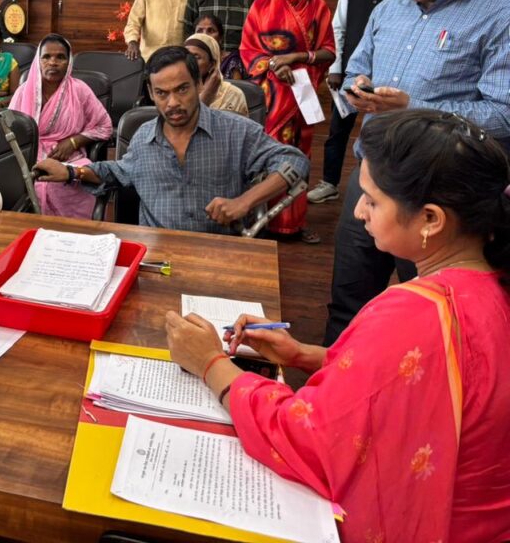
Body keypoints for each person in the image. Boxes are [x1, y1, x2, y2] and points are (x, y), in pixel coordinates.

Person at [164, 109, 510, 542]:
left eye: (373, 200)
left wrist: (211, 363)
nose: (360, 211)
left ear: (430, 219)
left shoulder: (414, 312)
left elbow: (310, 440)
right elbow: (424, 378)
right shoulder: (491, 286)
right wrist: (306, 355)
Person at [327, 0, 510, 344]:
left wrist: (412, 107)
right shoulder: (388, 10)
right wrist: (357, 88)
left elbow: (503, 115)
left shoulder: (499, 17)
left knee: (433, 315)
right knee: (349, 296)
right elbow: (355, 69)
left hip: (442, 193)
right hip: (372, 177)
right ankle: (334, 375)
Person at [33, 46, 308, 234]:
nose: (173, 102)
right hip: (158, 256)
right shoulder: (143, 137)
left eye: (182, 89)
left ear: (199, 85)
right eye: (162, 93)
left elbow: (295, 161)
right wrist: (70, 172)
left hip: (218, 252)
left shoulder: (235, 131)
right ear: (151, 93)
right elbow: (118, 172)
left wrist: (244, 202)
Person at [241, 0, 336, 244]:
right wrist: (273, 65)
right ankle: (260, 218)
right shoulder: (261, 4)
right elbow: (248, 49)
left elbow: (329, 52)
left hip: (301, 93)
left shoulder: (318, 7)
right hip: (270, 95)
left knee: (298, 153)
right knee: (267, 152)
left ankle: (292, 223)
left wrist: (295, 58)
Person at [308, 0, 405, 205]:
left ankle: (381, 190)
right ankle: (329, 183)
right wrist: (336, 69)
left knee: (387, 133)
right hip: (352, 73)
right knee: (338, 130)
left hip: (389, 74)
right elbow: (338, 29)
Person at [9, 34, 111, 219]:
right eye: (46, 57)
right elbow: (9, 129)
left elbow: (104, 126)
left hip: (69, 157)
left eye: (60, 57)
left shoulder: (80, 90)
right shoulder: (24, 91)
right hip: (28, 156)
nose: (53, 62)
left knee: (73, 178)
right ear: (38, 61)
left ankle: (70, 230)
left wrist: (73, 142)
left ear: (69, 62)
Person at [183, 32, 248, 117]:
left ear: (212, 64)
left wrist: (207, 95)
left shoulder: (233, 94)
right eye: (186, 57)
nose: (189, 62)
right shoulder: (176, 91)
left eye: (196, 57)